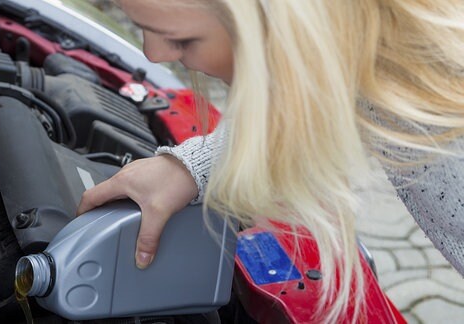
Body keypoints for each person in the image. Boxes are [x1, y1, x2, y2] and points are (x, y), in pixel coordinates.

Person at [77, 0, 464, 322]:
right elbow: (315, 96)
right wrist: (192, 166)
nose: (154, 54)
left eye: (181, 40)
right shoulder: (371, 42)